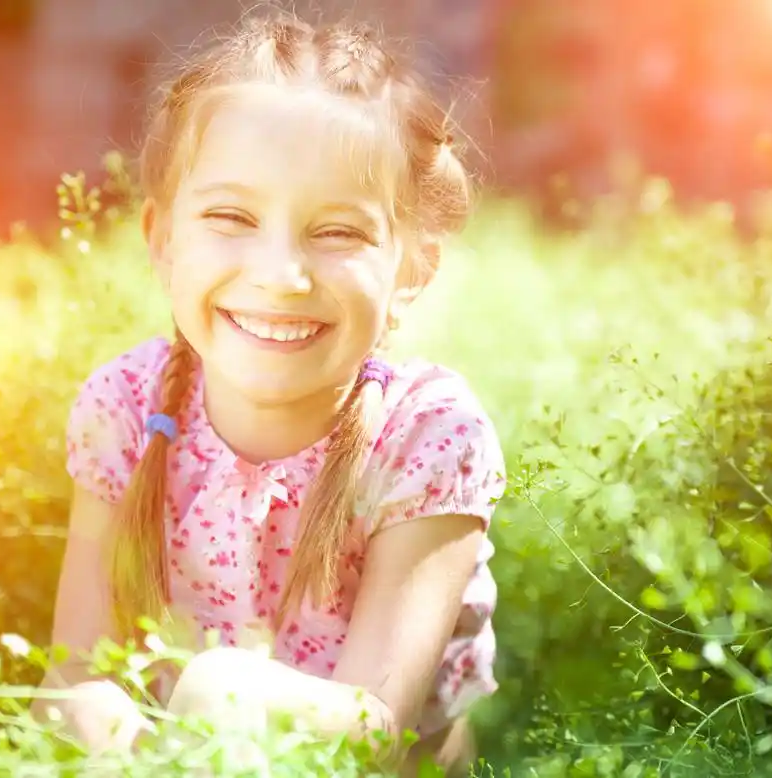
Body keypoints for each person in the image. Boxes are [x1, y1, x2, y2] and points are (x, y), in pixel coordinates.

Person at [31, 9, 507, 775]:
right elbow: (74, 672)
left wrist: (216, 694)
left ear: (411, 269)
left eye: (337, 232)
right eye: (230, 217)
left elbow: (373, 737)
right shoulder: (125, 406)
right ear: (162, 241)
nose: (279, 275)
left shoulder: (427, 435)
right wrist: (105, 735)